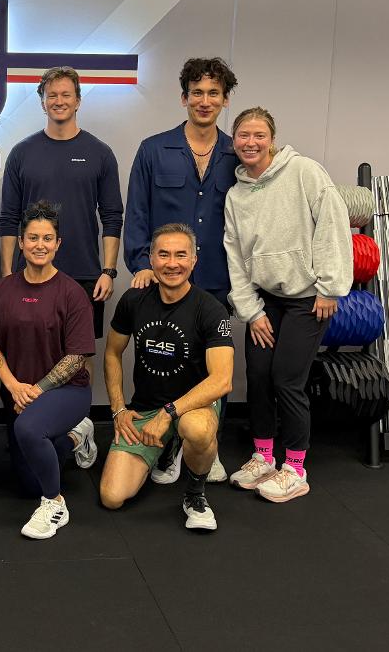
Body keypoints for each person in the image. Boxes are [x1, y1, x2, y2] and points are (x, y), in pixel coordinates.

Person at [223, 107, 352, 502]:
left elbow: (333, 225)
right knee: (258, 375)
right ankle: (263, 457)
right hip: (266, 302)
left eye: (259, 135)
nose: (250, 142)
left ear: (272, 139)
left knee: (286, 379)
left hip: (308, 300)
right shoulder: (236, 195)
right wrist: (251, 311)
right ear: (234, 141)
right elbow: (235, 256)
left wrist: (330, 287)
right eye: (243, 135)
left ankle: (295, 468)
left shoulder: (304, 172)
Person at [123, 57, 240, 484]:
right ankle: (170, 443)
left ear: (225, 100)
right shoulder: (154, 149)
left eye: (213, 93)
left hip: (217, 282)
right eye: (197, 93)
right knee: (165, 359)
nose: (204, 101)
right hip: (165, 280)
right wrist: (141, 264)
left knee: (211, 369)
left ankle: (205, 444)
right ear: (183, 98)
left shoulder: (237, 153)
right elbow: (137, 211)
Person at [0, 66, 123, 456]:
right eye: (51, 95)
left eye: (66, 94)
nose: (59, 101)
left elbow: (112, 216)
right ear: (42, 102)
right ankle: (37, 423)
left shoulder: (100, 153)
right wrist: (7, 274)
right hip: (29, 277)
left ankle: (78, 427)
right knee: (30, 351)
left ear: (78, 100)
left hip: (84, 273)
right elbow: (9, 218)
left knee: (78, 359)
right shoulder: (22, 153)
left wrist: (108, 270)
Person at [99, 224, 234, 530]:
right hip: (146, 407)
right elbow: (112, 353)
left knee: (195, 429)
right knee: (112, 496)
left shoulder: (211, 309)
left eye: (181, 255)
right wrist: (119, 409)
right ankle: (167, 446)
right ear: (151, 259)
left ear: (194, 260)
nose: (172, 263)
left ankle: (195, 494)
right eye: (163, 254)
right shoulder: (134, 301)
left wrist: (169, 412)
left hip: (192, 407)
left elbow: (222, 381)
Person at [0, 201, 97, 540]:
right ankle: (75, 436)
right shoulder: (1, 290)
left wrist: (35, 390)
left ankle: (55, 504)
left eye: (48, 238)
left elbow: (77, 357)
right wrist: (14, 386)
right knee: (29, 483)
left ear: (58, 244)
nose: (40, 245)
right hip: (18, 394)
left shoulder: (72, 293)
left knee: (30, 431)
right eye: (33, 238)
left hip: (67, 391)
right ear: (21, 242)